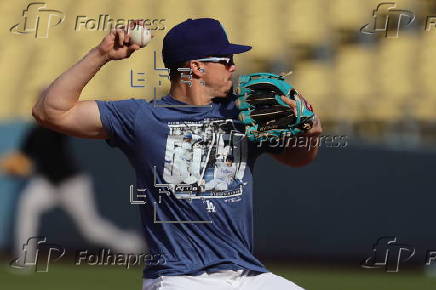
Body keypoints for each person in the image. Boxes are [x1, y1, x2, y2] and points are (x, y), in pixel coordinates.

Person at [32, 18, 322, 290]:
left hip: (248, 275)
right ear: (197, 67)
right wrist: (101, 53)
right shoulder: (141, 118)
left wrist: (310, 135)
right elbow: (50, 111)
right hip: (180, 278)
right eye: (226, 60)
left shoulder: (243, 114)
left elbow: (296, 160)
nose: (234, 67)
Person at [0, 123, 144, 264]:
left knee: (91, 229)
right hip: (47, 183)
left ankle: (133, 245)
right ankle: (25, 259)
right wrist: (12, 166)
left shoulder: (56, 127)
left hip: (72, 183)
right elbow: (24, 160)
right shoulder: (33, 132)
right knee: (27, 207)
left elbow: (64, 130)